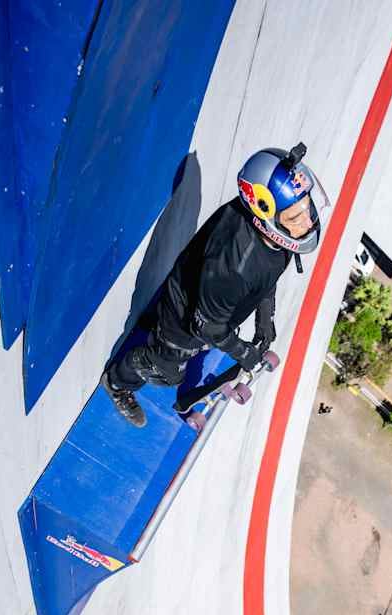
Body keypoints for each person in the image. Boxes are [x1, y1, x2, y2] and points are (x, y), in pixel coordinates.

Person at [103, 144, 322, 426]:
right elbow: (205, 326)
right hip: (185, 317)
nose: (307, 223)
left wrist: (265, 316)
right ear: (263, 211)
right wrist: (243, 352)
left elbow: (267, 276)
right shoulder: (235, 268)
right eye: (295, 216)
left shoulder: (276, 234)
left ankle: (154, 332)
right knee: (167, 373)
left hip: (207, 294)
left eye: (306, 207)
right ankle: (118, 380)